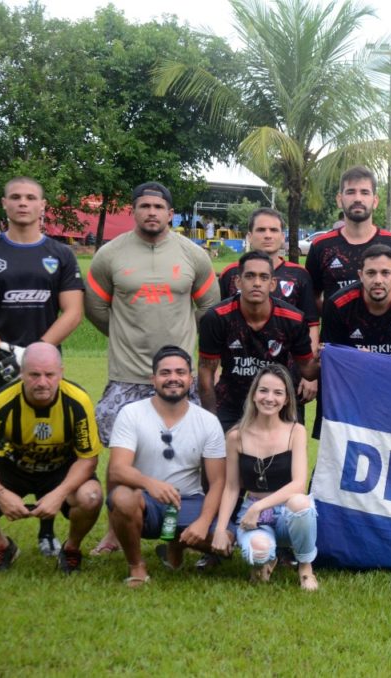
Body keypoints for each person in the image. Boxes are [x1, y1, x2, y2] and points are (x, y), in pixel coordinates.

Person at [84, 181, 220, 555]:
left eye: (159, 207)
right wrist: (123, 334)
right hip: (128, 373)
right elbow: (95, 307)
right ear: (133, 211)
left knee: (188, 452)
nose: (151, 212)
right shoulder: (110, 255)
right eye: (144, 206)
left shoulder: (193, 255)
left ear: (170, 213)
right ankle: (115, 529)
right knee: (122, 453)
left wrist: (186, 347)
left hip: (178, 377)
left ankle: (185, 526)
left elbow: (210, 308)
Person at [0, 176, 84, 559]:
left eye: (31, 197)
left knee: (51, 443)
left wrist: (35, 353)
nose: (23, 203)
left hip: (45, 367)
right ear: (4, 204)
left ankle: (47, 529)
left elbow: (73, 312)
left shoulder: (60, 254)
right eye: (16, 197)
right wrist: (3, 352)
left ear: (43, 206)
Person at [0, 343, 103, 572]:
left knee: (91, 496)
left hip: (61, 468)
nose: (42, 382)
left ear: (61, 373)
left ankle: (71, 549)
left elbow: (88, 459)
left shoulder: (78, 401)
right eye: (34, 375)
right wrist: (0, 494)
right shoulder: (1, 403)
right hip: (14, 467)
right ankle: (2, 546)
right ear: (21, 373)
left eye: (49, 375)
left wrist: (59, 493)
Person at [106, 346, 227, 588]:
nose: (173, 378)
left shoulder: (208, 421)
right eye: (165, 373)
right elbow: (117, 469)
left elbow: (218, 482)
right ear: (153, 379)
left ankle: (176, 545)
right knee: (123, 498)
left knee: (225, 542)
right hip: (145, 501)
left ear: (190, 379)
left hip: (188, 500)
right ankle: (137, 566)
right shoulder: (131, 413)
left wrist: (204, 521)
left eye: (180, 372)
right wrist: (150, 484)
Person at [211, 365, 318, 589]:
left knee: (301, 503)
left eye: (278, 393)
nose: (269, 398)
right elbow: (232, 487)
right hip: (253, 514)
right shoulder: (236, 436)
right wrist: (221, 529)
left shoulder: (296, 431)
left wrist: (259, 507)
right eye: (263, 391)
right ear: (253, 395)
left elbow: (299, 484)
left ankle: (305, 568)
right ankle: (266, 559)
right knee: (258, 553)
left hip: (288, 513)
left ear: (287, 399)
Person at [317, 244, 391, 438]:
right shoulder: (339, 304)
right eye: (371, 273)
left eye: (385, 273)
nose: (378, 280)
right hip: (357, 388)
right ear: (360, 275)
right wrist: (357, 359)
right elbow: (329, 354)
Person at [199, 251, 318, 431]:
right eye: (249, 276)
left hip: (277, 403)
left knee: (293, 446)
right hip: (231, 403)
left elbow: (308, 371)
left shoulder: (292, 319)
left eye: (263, 277)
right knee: (224, 449)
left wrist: (329, 359)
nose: (256, 283)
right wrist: (211, 420)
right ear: (238, 282)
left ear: (272, 284)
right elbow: (206, 371)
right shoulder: (216, 318)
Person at [217, 208, 320, 409]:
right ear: (249, 236)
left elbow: (312, 325)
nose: (267, 235)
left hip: (287, 377)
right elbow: (219, 324)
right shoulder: (231, 274)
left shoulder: (299, 275)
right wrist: (215, 370)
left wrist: (309, 375)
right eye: (261, 230)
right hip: (238, 375)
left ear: (282, 237)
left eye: (273, 230)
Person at [305, 166, 391, 312]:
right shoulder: (321, 246)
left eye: (364, 192)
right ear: (339, 199)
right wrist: (333, 316)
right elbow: (312, 297)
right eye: (350, 192)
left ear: (375, 201)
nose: (357, 198)